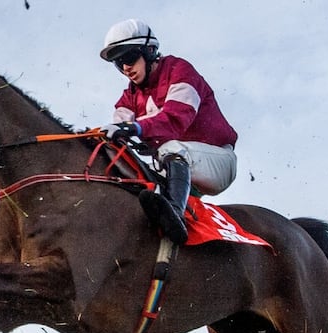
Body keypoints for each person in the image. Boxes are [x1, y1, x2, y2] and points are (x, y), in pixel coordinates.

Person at [100, 19, 238, 244]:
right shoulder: (130, 95)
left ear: (150, 51)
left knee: (170, 149)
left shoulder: (179, 70)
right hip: (177, 168)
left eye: (129, 58)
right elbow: (117, 128)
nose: (125, 68)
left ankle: (174, 216)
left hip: (217, 162)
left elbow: (175, 119)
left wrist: (135, 127)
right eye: (118, 63)